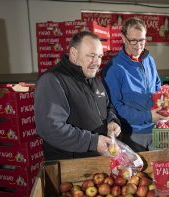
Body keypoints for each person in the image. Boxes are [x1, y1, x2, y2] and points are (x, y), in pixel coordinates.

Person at [35, 31, 121, 160]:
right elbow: (51, 128)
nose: (97, 62)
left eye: (100, 56)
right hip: (69, 165)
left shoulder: (95, 79)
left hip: (98, 159)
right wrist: (92, 142)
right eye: (91, 56)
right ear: (74, 53)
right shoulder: (52, 80)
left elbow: (108, 107)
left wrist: (112, 121)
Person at [103, 17, 166, 152]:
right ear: (123, 38)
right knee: (136, 171)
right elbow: (115, 107)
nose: (138, 45)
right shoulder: (114, 68)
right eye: (133, 41)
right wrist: (148, 116)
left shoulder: (149, 60)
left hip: (156, 129)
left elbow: (158, 87)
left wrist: (166, 104)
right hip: (132, 133)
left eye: (142, 40)